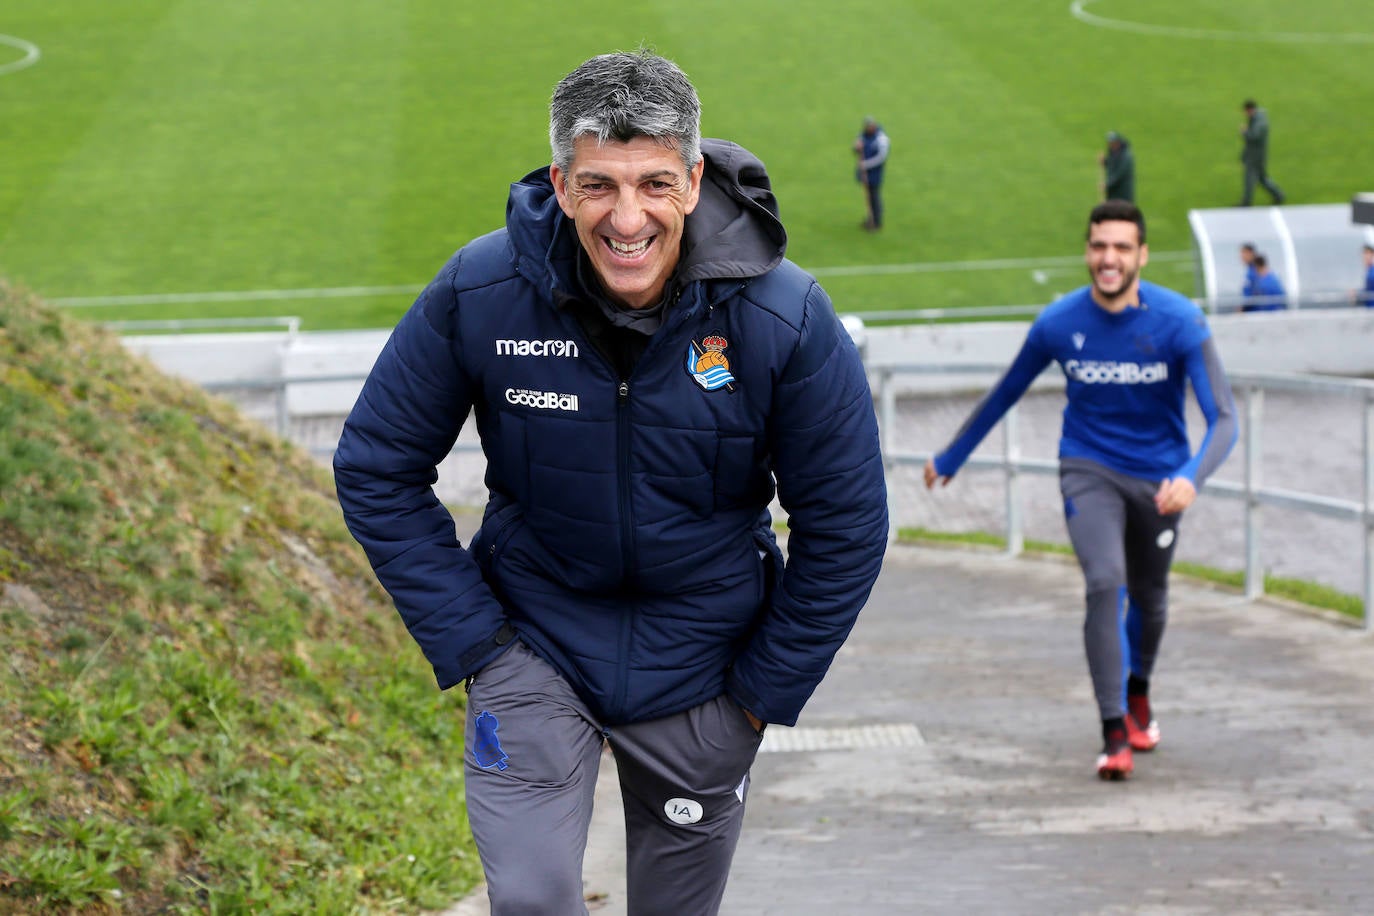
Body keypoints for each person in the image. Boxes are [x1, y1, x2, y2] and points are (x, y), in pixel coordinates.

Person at [334, 49, 888, 915]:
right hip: (534, 645)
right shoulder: (482, 288)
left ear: (695, 179)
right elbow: (375, 467)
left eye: (655, 184)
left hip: (707, 673)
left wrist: (758, 696)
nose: (627, 217)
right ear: (559, 183)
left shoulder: (784, 315)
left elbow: (847, 523)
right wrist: (478, 643)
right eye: (598, 185)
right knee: (534, 898)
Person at [923, 200, 1238, 782]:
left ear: (1142, 254)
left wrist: (1191, 477)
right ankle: (1113, 729)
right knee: (1104, 582)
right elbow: (1005, 393)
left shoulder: (1180, 321)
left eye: (1121, 247)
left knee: (1150, 595)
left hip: (1162, 481)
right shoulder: (1059, 323)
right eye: (1099, 246)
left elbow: (1224, 417)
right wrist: (951, 456)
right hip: (1088, 468)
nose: (1108, 258)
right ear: (1088, 252)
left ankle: (1138, 691)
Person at [1239, 99, 1284, 207]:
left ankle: (1246, 202)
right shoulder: (1257, 118)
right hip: (1257, 154)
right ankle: (1279, 196)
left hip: (1255, 156)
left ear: (1250, 110)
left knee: (1249, 179)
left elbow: (1254, 137)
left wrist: (1244, 132)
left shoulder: (1259, 122)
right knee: (1262, 178)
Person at [853, 116, 890, 230]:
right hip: (865, 173)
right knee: (868, 196)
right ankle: (870, 218)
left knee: (874, 196)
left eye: (870, 126)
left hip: (875, 173)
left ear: (874, 126)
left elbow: (881, 157)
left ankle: (877, 221)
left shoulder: (882, 139)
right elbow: (856, 147)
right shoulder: (863, 135)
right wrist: (856, 147)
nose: (868, 128)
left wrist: (866, 164)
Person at [1099, 131, 1134, 203]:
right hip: (1113, 193)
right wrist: (1105, 162)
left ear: (1118, 142)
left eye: (1113, 143)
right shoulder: (1113, 152)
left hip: (1122, 192)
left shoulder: (1126, 156)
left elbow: (1120, 174)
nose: (1111, 145)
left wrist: (1107, 184)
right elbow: (1113, 163)